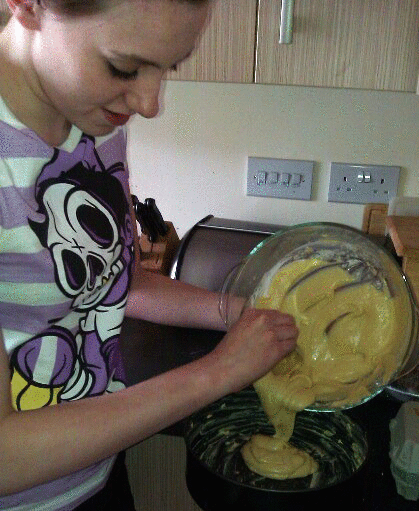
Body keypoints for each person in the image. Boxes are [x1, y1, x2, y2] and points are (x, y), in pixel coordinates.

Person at [0, 1, 299, 509]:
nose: (149, 103)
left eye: (168, 67)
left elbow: (118, 281)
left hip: (97, 473)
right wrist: (219, 371)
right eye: (123, 68)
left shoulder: (94, 122)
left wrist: (237, 312)